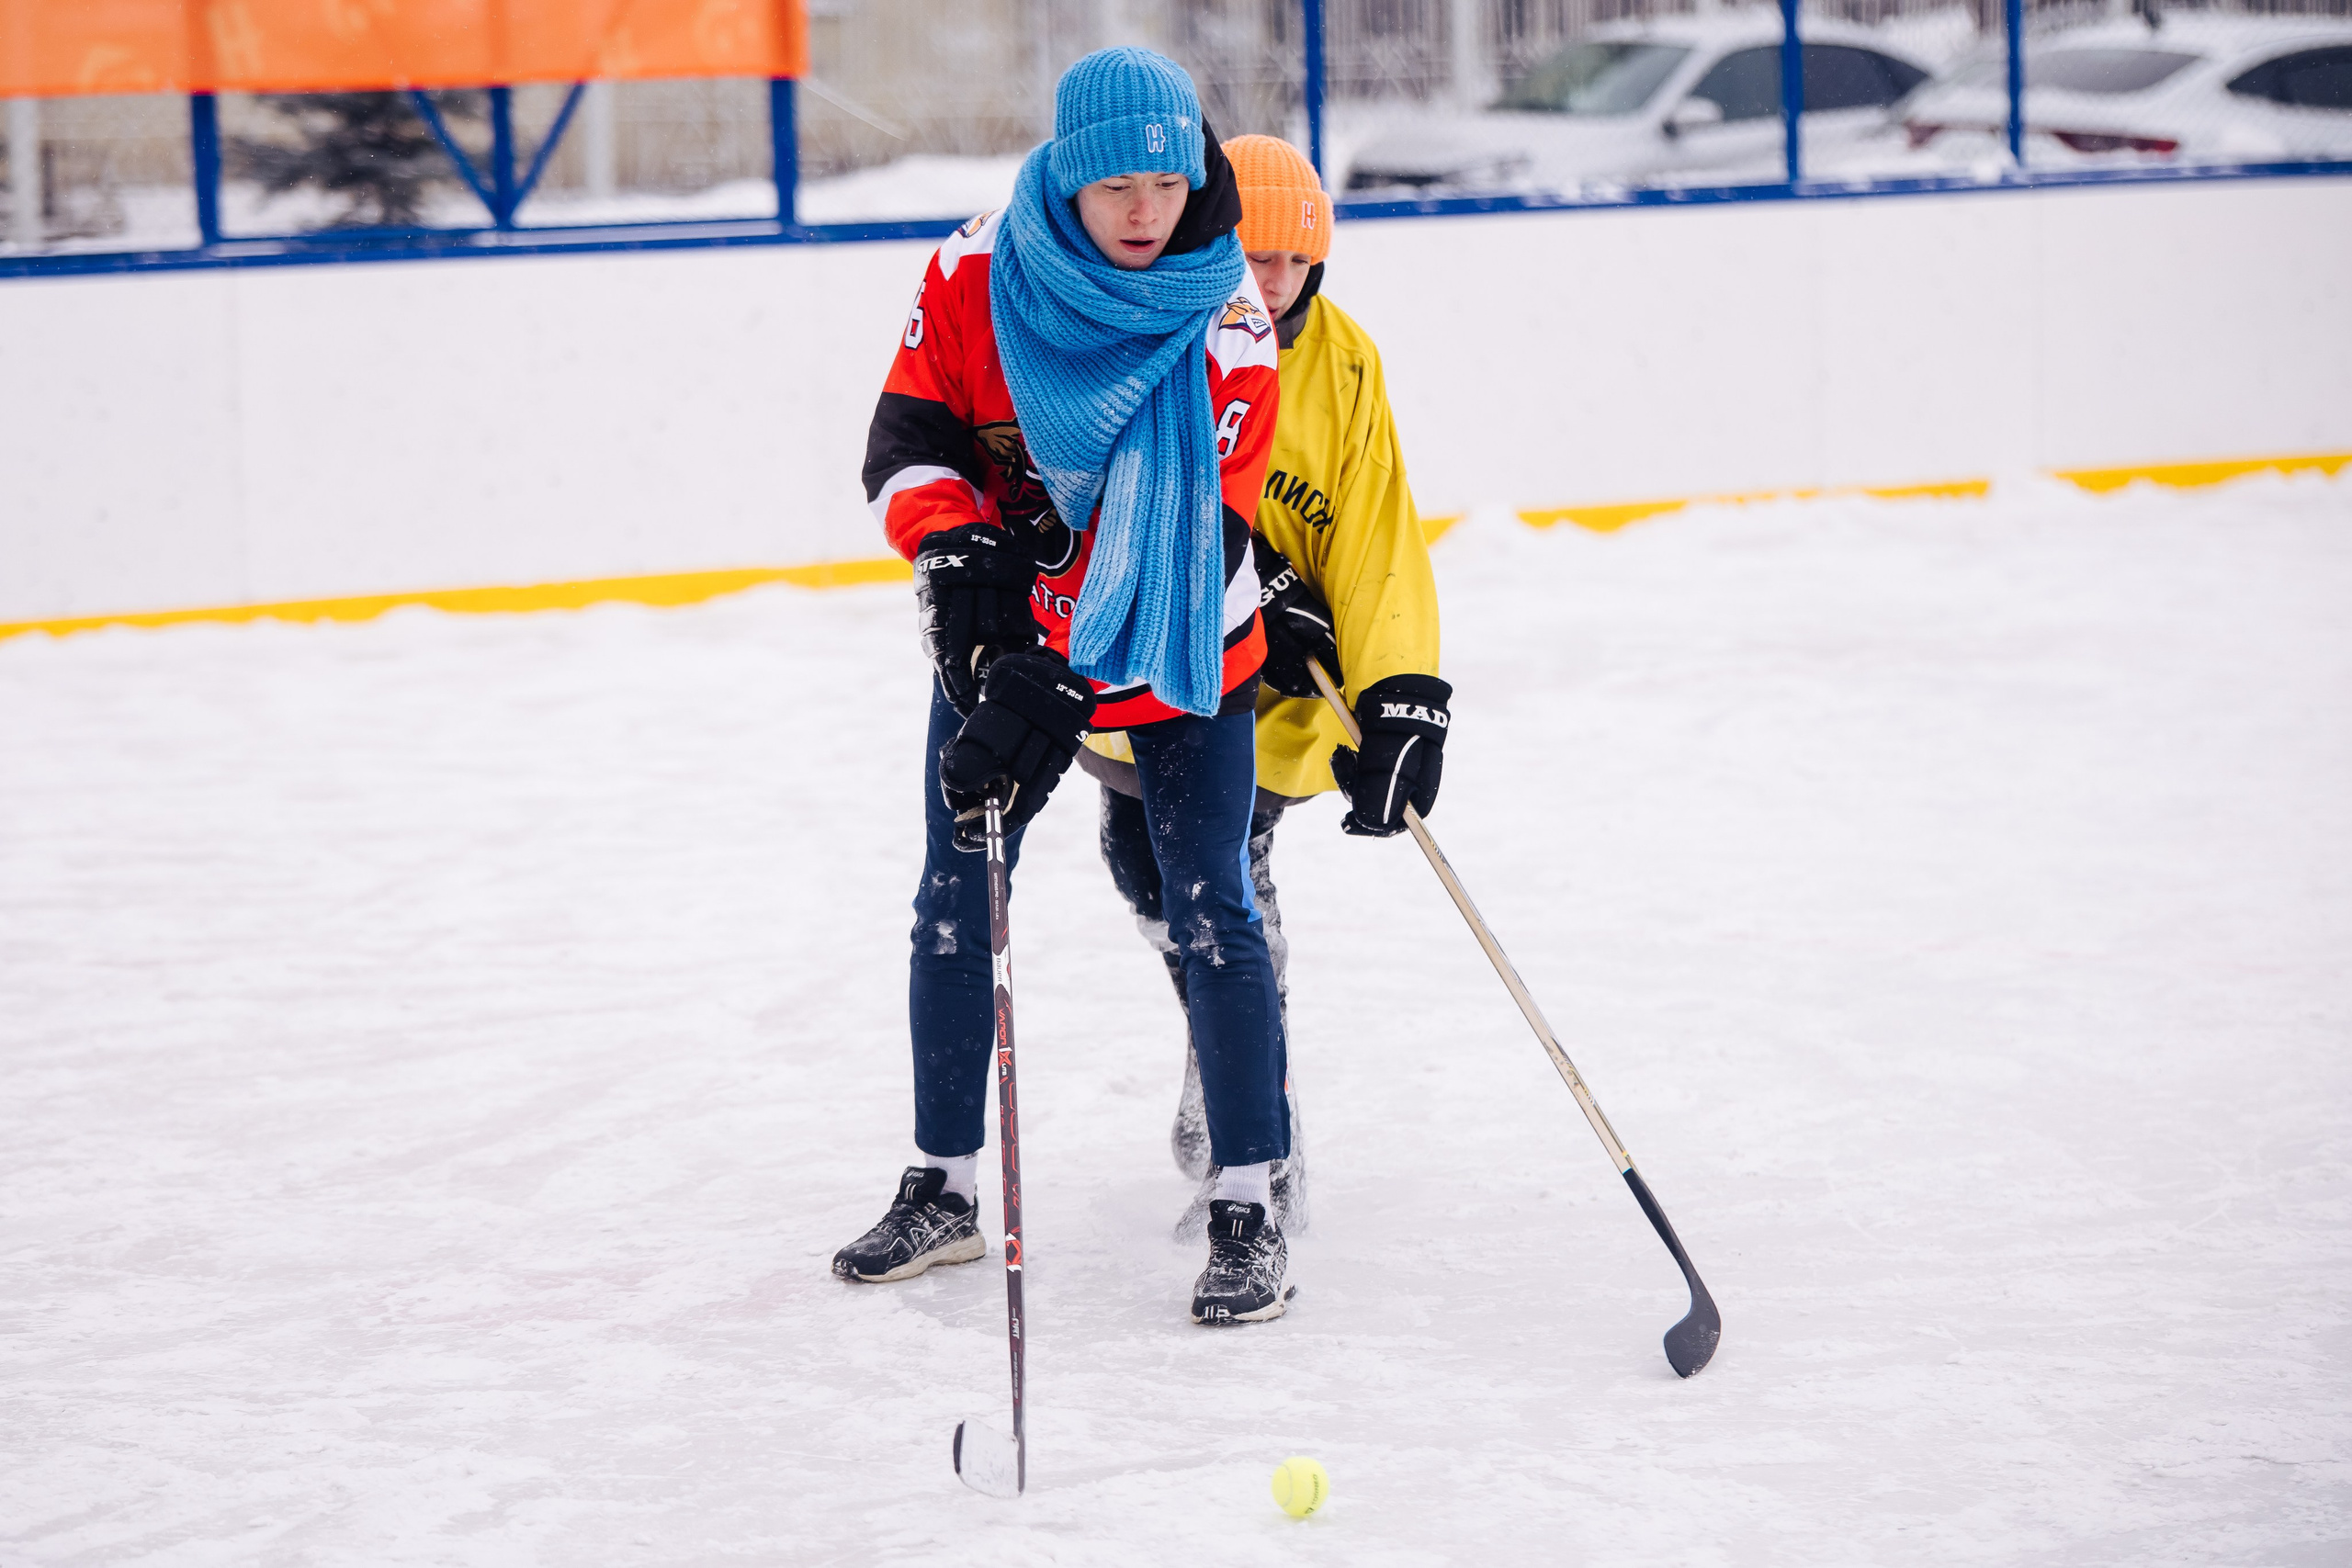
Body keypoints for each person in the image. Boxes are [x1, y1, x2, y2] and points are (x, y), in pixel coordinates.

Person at [831, 49, 1302, 1325]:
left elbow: (1182, 549)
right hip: (1010, 650)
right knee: (951, 893)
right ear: (1065, 183)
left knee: (1213, 903)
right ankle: (942, 1185)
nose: (1146, 210)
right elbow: (909, 437)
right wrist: (958, 558)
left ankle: (1250, 1193)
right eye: (1115, 187)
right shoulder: (973, 272)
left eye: (1167, 179)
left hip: (1188, 648)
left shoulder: (1227, 322)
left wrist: (1047, 679)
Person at [1075, 134, 1451, 1235]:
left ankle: (1259, 1133)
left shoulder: (1343, 362)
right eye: (1254, 252)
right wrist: (1249, 571)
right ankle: (1216, 1021)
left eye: (1294, 260)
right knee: (1141, 872)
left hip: (1273, 703)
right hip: (1147, 672)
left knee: (1228, 895)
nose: (1272, 281)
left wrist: (1402, 694)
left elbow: (1377, 526)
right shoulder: (1162, 324)